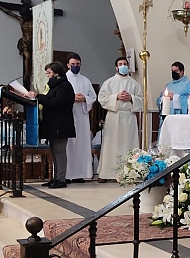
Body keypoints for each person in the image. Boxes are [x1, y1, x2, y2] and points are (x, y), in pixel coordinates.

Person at [28, 62, 75, 189]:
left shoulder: (64, 86)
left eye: (49, 73)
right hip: (52, 123)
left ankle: (61, 179)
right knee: (53, 151)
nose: (47, 75)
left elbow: (57, 102)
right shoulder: (54, 86)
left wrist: (39, 96)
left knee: (59, 151)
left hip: (61, 124)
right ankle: (55, 178)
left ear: (57, 73)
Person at [96, 57, 143, 181]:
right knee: (111, 145)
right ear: (116, 67)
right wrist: (116, 96)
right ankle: (107, 174)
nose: (123, 66)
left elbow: (141, 100)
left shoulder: (134, 83)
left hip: (129, 116)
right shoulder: (109, 82)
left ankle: (131, 173)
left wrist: (131, 97)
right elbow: (102, 98)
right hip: (114, 115)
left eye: (125, 64)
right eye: (120, 64)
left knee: (129, 145)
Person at [65, 53, 96, 183]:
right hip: (68, 115)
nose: (75, 66)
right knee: (69, 145)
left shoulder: (86, 80)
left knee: (81, 144)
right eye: (73, 64)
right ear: (68, 65)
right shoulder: (64, 78)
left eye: (78, 64)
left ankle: (80, 174)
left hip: (82, 116)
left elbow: (93, 96)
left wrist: (85, 98)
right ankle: (66, 175)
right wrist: (72, 98)